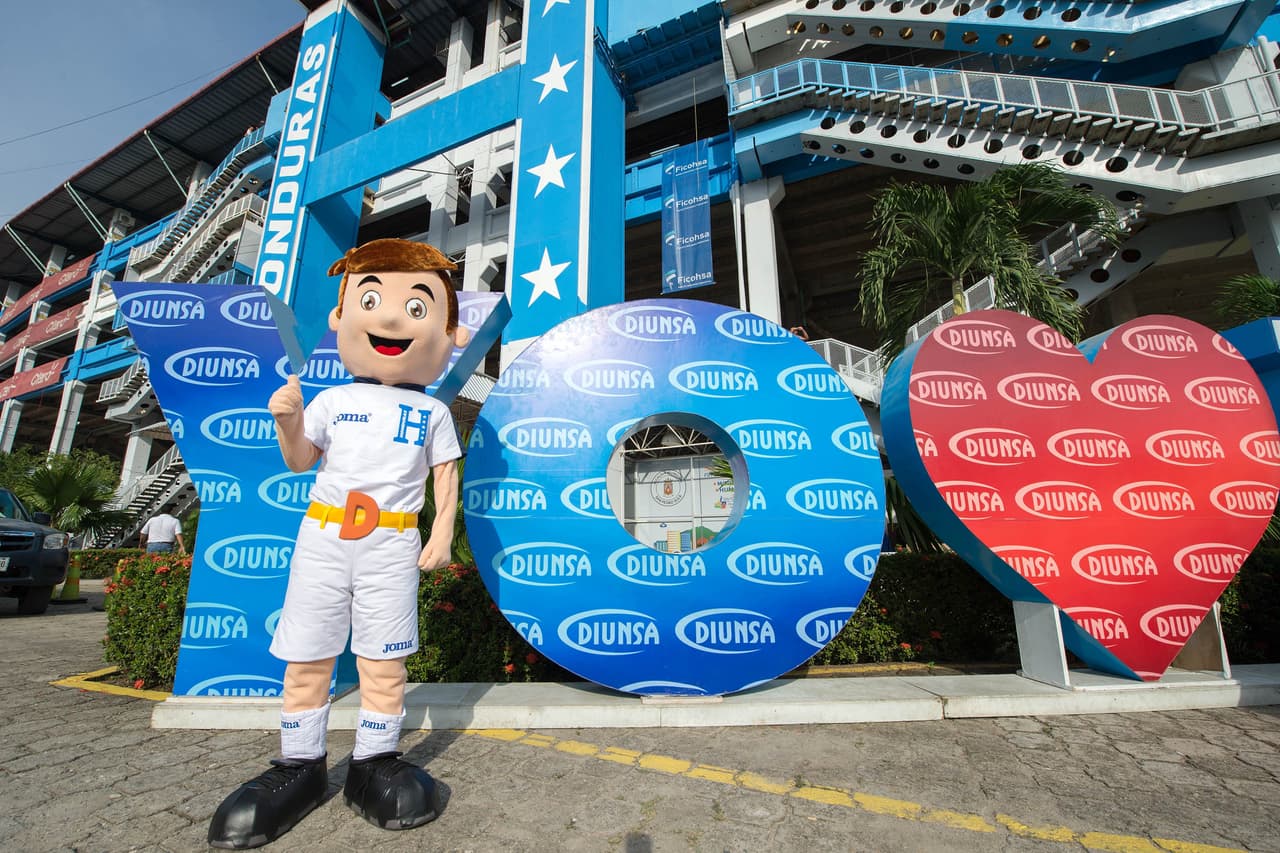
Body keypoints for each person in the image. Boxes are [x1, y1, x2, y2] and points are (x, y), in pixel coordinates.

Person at [208, 239, 469, 849]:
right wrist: (288, 421)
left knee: (384, 663)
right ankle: (299, 765)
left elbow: (445, 477)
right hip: (324, 537)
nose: (388, 318)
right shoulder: (333, 399)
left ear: (449, 332)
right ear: (341, 315)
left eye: (416, 306)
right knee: (308, 657)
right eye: (371, 299)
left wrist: (441, 534)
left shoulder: (431, 412)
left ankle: (374, 761)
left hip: (392, 544)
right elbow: (301, 461)